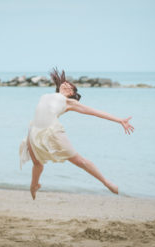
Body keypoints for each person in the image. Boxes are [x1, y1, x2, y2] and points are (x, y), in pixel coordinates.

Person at [19, 68, 134, 200]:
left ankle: (106, 182)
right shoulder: (47, 95)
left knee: (79, 161)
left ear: (72, 93)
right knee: (37, 163)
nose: (67, 85)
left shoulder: (70, 102)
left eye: (71, 87)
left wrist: (119, 120)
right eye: (66, 83)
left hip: (52, 132)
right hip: (34, 130)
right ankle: (34, 186)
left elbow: (95, 112)